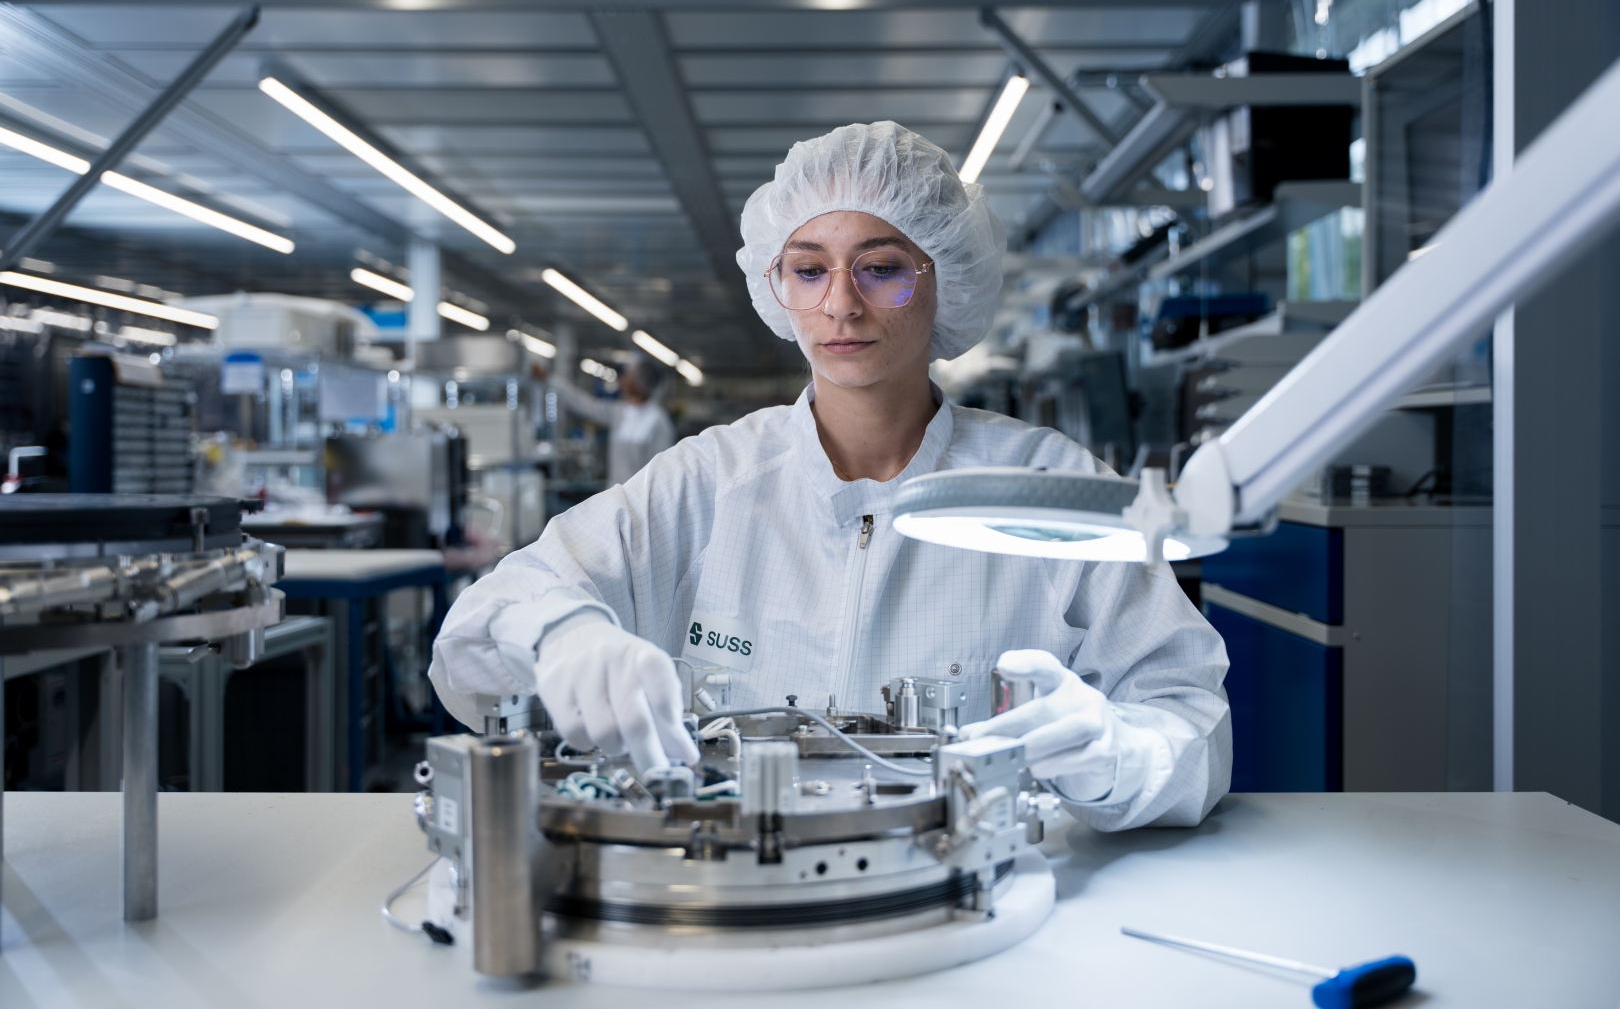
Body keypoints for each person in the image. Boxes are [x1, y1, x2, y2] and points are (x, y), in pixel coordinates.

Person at [430, 121, 1231, 830]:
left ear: (943, 278)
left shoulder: (1044, 485)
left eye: (882, 268)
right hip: (732, 913)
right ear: (777, 290)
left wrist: (1117, 756)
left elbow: (1192, 718)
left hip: (987, 922)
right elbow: (475, 637)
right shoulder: (709, 482)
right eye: (808, 271)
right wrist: (558, 634)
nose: (841, 305)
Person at [543, 354, 676, 488]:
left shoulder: (658, 422)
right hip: (615, 496)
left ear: (642, 382)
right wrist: (550, 379)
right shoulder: (620, 412)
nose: (623, 379)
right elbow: (584, 404)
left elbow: (660, 473)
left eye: (629, 375)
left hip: (641, 502)